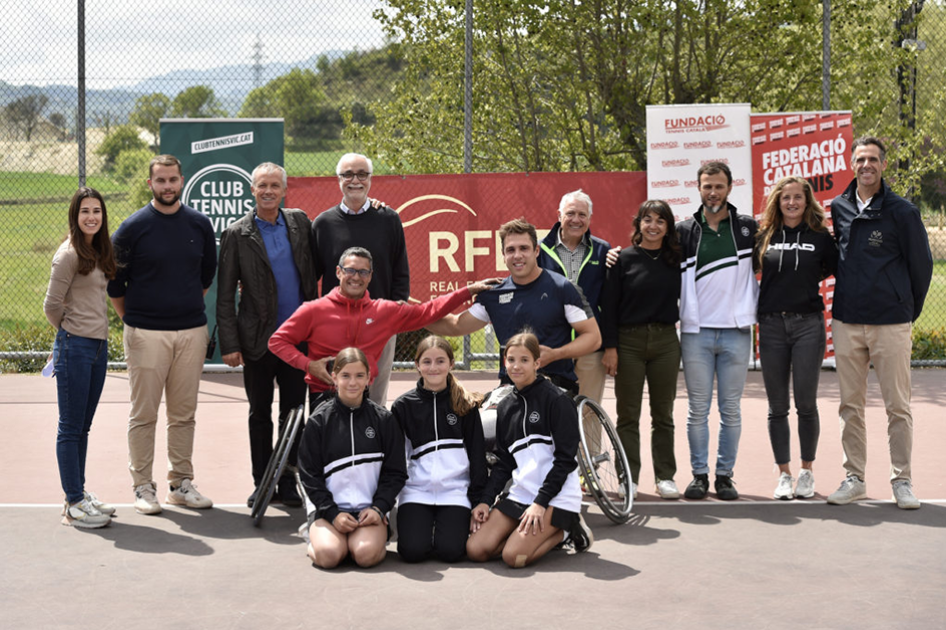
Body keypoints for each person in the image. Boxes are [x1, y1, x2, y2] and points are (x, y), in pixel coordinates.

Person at [827, 136, 933, 510]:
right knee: (849, 406)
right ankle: (854, 477)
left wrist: (905, 309)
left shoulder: (902, 212)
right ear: (852, 164)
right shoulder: (838, 206)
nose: (866, 165)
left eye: (873, 159)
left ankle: (901, 480)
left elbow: (922, 267)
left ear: (884, 165)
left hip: (891, 323)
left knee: (897, 407)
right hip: (847, 322)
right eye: (860, 159)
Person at [107, 154, 217, 515]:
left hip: (191, 333)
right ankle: (142, 487)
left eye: (173, 180)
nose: (167, 186)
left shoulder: (200, 225)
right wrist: (136, 323)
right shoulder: (131, 228)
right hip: (145, 334)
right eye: (161, 180)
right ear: (150, 183)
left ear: (182, 180)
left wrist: (182, 314)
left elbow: (204, 278)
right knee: (144, 414)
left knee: (184, 413)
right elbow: (115, 286)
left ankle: (180, 483)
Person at [269, 247, 498, 405]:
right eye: (350, 270)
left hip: (364, 396)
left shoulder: (384, 311)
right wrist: (308, 365)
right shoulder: (313, 310)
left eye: (362, 272)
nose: (355, 277)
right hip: (324, 395)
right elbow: (277, 341)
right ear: (338, 272)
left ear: (370, 276)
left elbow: (428, 310)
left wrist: (469, 290)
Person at [217, 162, 317, 509]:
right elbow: (225, 294)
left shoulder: (301, 223)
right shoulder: (236, 234)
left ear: (284, 190)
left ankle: (287, 480)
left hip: (298, 340)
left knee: (294, 413)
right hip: (257, 341)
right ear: (252, 190)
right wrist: (230, 344)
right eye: (262, 185)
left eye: (275, 185)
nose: (269, 191)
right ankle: (262, 482)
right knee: (259, 413)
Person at [427, 218, 601, 393]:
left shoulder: (562, 288)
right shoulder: (493, 294)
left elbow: (593, 337)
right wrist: (412, 318)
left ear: (536, 251)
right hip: (510, 389)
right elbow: (455, 325)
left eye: (524, 248)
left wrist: (556, 354)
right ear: (503, 256)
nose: (517, 255)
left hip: (556, 386)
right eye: (510, 250)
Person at [466, 332, 593, 568]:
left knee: (514, 557)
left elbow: (566, 460)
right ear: (505, 363)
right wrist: (485, 501)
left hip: (556, 496)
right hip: (522, 492)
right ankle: (527, 533)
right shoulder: (505, 408)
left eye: (524, 360)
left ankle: (567, 529)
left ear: (537, 363)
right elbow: (504, 463)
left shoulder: (557, 400)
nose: (516, 366)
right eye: (511, 360)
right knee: (476, 549)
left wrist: (541, 503)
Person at [677, 161, 759, 501]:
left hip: (736, 333)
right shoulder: (683, 230)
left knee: (730, 410)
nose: (713, 192)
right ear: (698, 188)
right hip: (696, 333)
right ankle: (699, 475)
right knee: (697, 409)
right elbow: (650, 254)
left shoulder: (747, 229)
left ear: (729, 187)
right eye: (707, 186)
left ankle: (725, 476)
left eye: (719, 186)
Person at [754, 177, 838, 500]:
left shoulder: (820, 238)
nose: (791, 203)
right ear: (778, 201)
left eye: (797, 198)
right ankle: (784, 475)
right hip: (772, 326)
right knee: (777, 407)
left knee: (806, 403)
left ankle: (806, 471)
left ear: (807, 201)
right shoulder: (765, 236)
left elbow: (830, 268)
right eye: (785, 197)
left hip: (808, 326)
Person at [43, 187, 117, 529]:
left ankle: (79, 492)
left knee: (83, 426)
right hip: (75, 347)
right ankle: (73, 504)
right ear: (75, 216)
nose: (91, 217)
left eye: (97, 212)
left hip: (98, 348)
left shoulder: (97, 251)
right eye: (85, 211)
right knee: (70, 427)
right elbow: (51, 305)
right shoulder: (68, 254)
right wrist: (68, 334)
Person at [310, 153, 409, 406]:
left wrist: (394, 313)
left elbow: (400, 272)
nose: (355, 180)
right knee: (336, 392)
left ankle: (374, 440)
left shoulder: (389, 219)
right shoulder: (323, 224)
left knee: (375, 397)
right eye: (348, 174)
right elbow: (311, 276)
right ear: (338, 179)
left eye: (362, 174)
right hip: (336, 323)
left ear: (371, 179)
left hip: (380, 323)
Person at [600, 200, 682, 501]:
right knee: (628, 415)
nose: (653, 226)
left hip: (665, 343)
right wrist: (610, 347)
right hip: (628, 343)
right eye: (647, 219)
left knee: (664, 414)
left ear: (668, 226)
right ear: (638, 224)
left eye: (660, 221)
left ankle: (665, 477)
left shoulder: (677, 259)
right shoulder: (622, 259)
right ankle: (628, 479)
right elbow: (608, 307)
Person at [297, 347, 407, 569]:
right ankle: (317, 539)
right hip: (329, 510)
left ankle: (361, 540)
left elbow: (396, 472)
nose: (352, 382)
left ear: (369, 378)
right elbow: (309, 475)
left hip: (368, 512)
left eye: (359, 376)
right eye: (345, 376)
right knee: (329, 556)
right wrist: (332, 513)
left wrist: (378, 508)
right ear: (334, 377)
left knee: (365, 556)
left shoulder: (383, 420)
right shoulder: (319, 421)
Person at [393, 335, 488, 563]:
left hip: (455, 491)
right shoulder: (403, 406)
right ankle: (423, 530)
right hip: (417, 491)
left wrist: (478, 501)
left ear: (451, 364)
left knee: (451, 552)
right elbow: (395, 459)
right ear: (417, 365)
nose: (433, 367)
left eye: (440, 361)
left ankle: (443, 530)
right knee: (412, 552)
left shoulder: (465, 404)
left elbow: (477, 455)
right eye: (426, 362)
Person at [538, 189, 611, 404]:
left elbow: (609, 303)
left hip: (591, 347)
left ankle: (588, 441)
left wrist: (610, 346)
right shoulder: (539, 250)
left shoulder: (602, 250)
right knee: (553, 411)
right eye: (570, 214)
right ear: (559, 215)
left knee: (588, 411)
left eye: (582, 215)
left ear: (589, 218)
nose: (576, 220)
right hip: (552, 345)